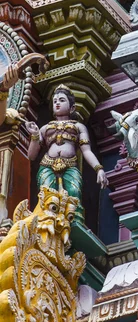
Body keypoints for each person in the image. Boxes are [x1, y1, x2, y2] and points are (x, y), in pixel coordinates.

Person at [26, 84, 108, 223]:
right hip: (47, 165)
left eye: (62, 100)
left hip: (70, 165)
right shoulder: (45, 128)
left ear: (72, 107)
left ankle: (73, 224)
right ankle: (47, 222)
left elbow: (86, 151)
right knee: (47, 195)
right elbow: (31, 155)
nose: (57, 103)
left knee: (74, 193)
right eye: (55, 101)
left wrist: (98, 168)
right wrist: (34, 135)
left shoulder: (78, 127)